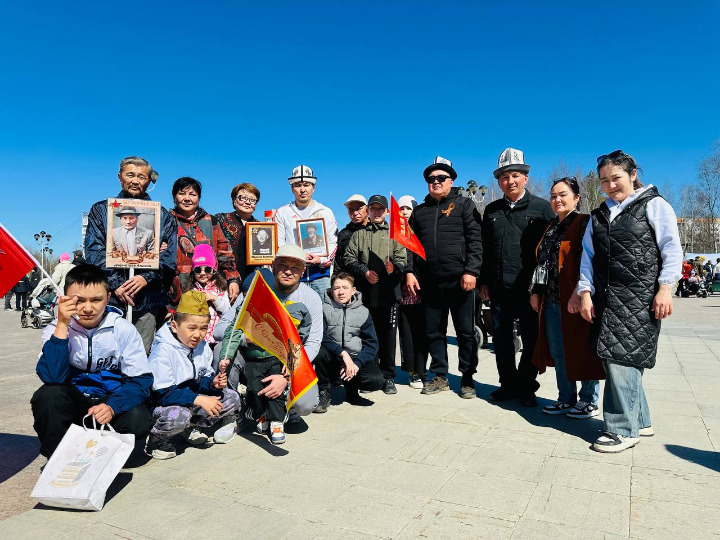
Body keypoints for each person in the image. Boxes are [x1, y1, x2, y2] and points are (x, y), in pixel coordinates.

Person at [578, 150, 682, 452]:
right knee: (618, 356)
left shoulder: (654, 205)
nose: (610, 186)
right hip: (606, 297)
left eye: (616, 178)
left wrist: (665, 288)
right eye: (604, 181)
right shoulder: (598, 215)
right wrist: (584, 292)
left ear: (632, 174)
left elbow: (671, 249)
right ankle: (640, 420)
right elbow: (587, 258)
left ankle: (622, 430)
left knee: (622, 359)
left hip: (640, 297)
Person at [30, 264, 154, 458]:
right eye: (79, 300)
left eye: (96, 300)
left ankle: (104, 451)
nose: (88, 308)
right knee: (48, 396)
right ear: (65, 299)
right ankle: (59, 456)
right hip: (74, 404)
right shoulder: (55, 329)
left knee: (138, 419)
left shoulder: (123, 329)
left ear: (108, 298)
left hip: (108, 403)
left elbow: (140, 380)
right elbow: (52, 377)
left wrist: (113, 407)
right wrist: (62, 325)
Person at [479, 148, 554, 407]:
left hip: (529, 289)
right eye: (504, 177)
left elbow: (549, 250)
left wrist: (542, 287)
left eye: (515, 175)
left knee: (531, 337)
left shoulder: (542, 209)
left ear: (525, 178)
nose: (510, 181)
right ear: (498, 181)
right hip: (499, 286)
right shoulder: (491, 210)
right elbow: (485, 249)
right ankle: (507, 385)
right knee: (501, 339)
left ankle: (526, 386)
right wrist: (483, 281)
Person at [405, 157, 482, 399]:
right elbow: (410, 246)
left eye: (441, 178)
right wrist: (409, 272)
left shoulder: (465, 205)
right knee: (433, 331)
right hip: (430, 281)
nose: (436, 182)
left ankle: (467, 377)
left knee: (465, 332)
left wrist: (472, 271)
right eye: (431, 179)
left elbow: (476, 240)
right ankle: (440, 375)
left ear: (451, 181)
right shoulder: (419, 212)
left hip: (460, 281)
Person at [84, 156, 178, 353]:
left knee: (140, 355)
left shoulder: (164, 217)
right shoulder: (101, 210)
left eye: (141, 177)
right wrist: (115, 284)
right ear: (120, 177)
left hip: (148, 300)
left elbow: (169, 258)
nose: (135, 181)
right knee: (108, 354)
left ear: (149, 180)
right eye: (130, 175)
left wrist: (146, 277)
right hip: (111, 299)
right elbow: (94, 251)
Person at [219, 244, 322, 417]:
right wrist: (246, 337)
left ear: (303, 271)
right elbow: (221, 329)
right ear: (273, 266)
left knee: (305, 404)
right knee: (219, 350)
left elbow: (313, 343)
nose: (288, 271)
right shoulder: (254, 289)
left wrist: (287, 374)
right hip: (253, 358)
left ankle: (282, 408)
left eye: (295, 267)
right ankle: (231, 409)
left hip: (288, 360)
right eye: (283, 265)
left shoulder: (311, 298)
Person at [530, 177, 603, 418]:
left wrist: (578, 293)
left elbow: (589, 261)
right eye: (553, 196)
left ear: (576, 198)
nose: (557, 200)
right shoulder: (550, 227)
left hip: (575, 299)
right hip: (551, 300)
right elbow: (542, 263)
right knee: (559, 351)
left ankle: (588, 400)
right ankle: (565, 398)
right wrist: (536, 291)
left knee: (582, 349)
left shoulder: (584, 223)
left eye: (563, 195)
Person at [145, 291, 240, 460]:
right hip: (165, 405)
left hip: (192, 401)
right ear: (174, 326)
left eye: (203, 328)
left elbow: (202, 378)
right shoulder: (162, 351)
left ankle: (190, 427)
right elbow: (163, 394)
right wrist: (199, 399)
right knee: (179, 415)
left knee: (231, 397)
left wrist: (212, 383)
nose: (198, 334)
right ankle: (156, 440)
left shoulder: (202, 347)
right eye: (192, 328)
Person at [345, 194, 406, 394]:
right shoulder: (359, 235)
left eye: (381, 208)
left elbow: (402, 259)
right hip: (366, 295)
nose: (377, 212)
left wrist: (394, 268)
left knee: (388, 337)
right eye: (373, 208)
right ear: (368, 211)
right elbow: (349, 258)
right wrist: (364, 272)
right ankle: (371, 375)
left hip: (389, 295)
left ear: (387, 211)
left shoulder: (395, 234)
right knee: (367, 336)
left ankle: (388, 376)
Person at [313, 272, 385, 412]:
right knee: (319, 353)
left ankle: (352, 392)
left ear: (353, 290)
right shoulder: (323, 309)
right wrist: (342, 353)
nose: (341, 292)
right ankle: (323, 391)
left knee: (375, 381)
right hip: (333, 356)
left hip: (354, 357)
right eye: (336, 288)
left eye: (345, 288)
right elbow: (321, 336)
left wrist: (357, 363)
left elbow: (371, 344)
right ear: (331, 290)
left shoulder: (363, 312)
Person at [170, 177, 240, 307]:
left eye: (192, 194)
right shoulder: (166, 221)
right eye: (182, 193)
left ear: (199, 198)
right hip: (175, 294)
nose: (187, 198)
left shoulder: (211, 221)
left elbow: (225, 254)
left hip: (209, 292)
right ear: (174, 197)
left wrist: (233, 280)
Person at [275, 165, 338, 296]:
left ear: (313, 188)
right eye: (298, 185)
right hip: (293, 275)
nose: (302, 189)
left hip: (320, 275)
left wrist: (321, 260)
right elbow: (279, 243)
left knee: (323, 308)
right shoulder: (282, 212)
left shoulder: (326, 212)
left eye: (306, 185)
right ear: (292, 188)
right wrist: (297, 256)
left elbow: (333, 242)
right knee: (292, 308)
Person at [396, 195, 428, 389]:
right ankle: (411, 372)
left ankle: (422, 370)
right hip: (402, 293)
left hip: (422, 289)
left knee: (422, 332)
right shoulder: (394, 233)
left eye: (408, 208)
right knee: (406, 333)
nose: (405, 212)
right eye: (401, 209)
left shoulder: (422, 231)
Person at [181, 244, 230, 345]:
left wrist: (215, 299)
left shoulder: (221, 289)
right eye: (198, 270)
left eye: (207, 269)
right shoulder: (190, 289)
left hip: (217, 339)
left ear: (214, 270)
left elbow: (228, 313)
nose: (203, 273)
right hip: (197, 339)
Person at [215, 183, 263, 282]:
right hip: (224, 277)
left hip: (251, 278)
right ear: (234, 200)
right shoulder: (220, 219)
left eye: (252, 200)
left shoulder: (261, 227)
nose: (247, 202)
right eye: (243, 198)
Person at [334, 194, 368, 275]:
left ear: (367, 209)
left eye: (359, 208)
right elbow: (338, 263)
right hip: (351, 280)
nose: (355, 213)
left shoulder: (377, 231)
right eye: (351, 209)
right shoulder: (343, 235)